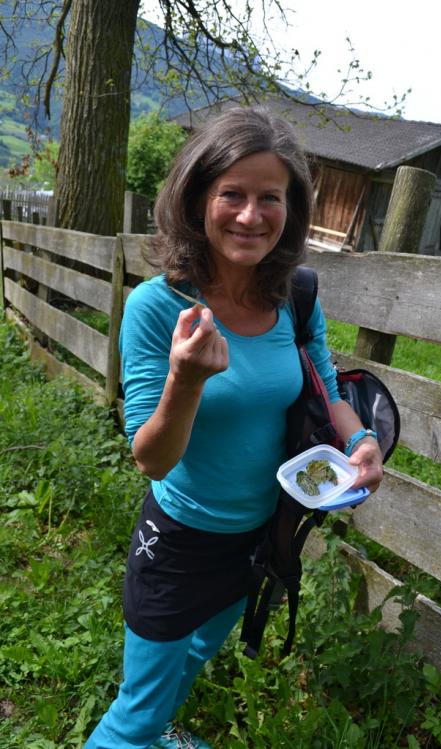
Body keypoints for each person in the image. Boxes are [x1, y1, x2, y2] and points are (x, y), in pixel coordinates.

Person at [84, 106, 383, 749]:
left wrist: (360, 442)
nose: (251, 215)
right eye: (232, 195)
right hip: (181, 542)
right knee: (130, 721)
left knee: (194, 656)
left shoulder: (294, 295)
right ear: (198, 201)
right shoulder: (157, 307)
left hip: (259, 536)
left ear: (291, 209)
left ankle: (163, 723)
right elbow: (151, 460)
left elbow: (325, 389)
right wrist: (185, 380)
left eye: (269, 197)